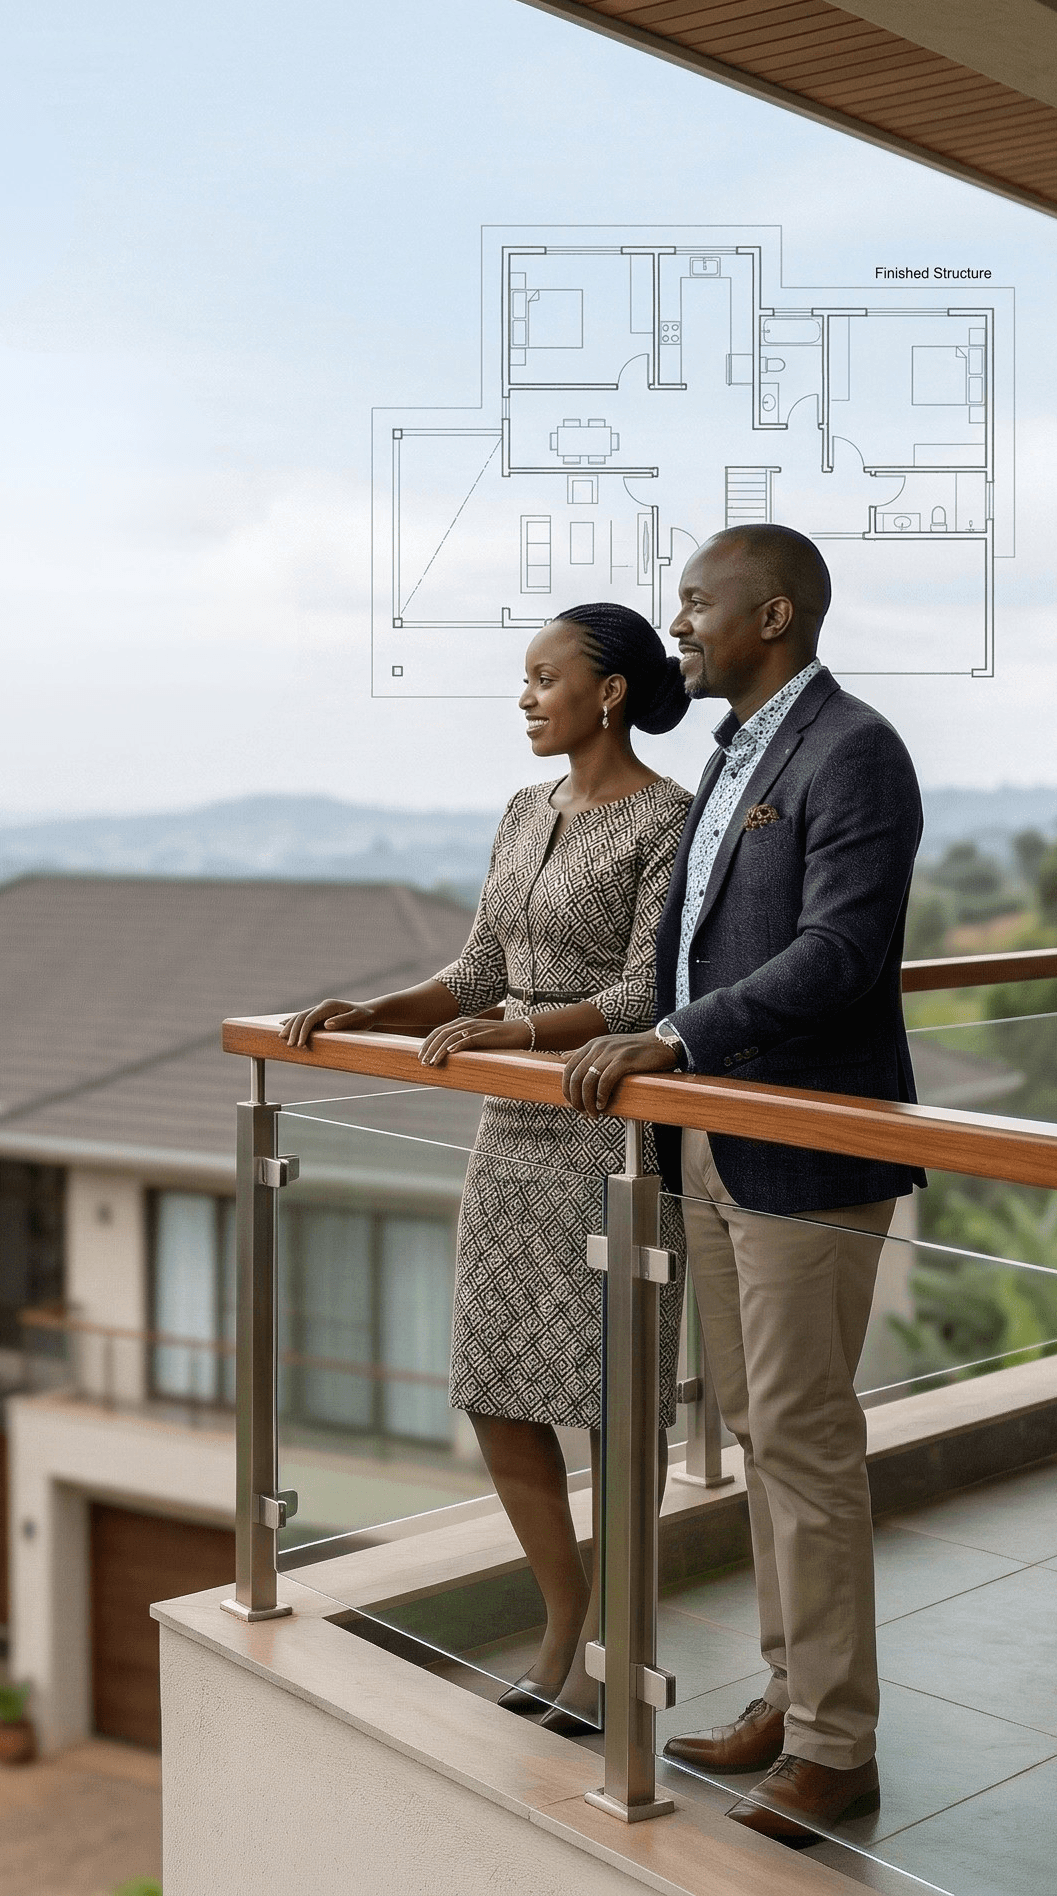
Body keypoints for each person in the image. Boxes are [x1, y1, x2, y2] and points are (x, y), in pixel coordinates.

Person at [561, 525, 923, 1846]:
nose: (680, 631)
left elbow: (841, 949)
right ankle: (790, 1696)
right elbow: (696, 947)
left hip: (810, 1140)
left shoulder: (855, 750)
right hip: (708, 1138)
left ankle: (837, 1748)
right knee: (762, 1437)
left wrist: (678, 1037)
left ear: (772, 616)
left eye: (697, 608)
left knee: (807, 1444)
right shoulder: (731, 755)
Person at [284, 603, 691, 1735]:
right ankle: (561, 1618)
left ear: (606, 690)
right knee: (497, 1391)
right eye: (521, 677)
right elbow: (474, 969)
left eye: (541, 675)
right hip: (509, 1133)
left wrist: (515, 1035)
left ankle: (617, 1632)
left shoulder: (669, 817)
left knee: (612, 1399)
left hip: (610, 1126)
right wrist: (375, 1008)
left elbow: (645, 994)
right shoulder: (522, 808)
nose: (522, 695)